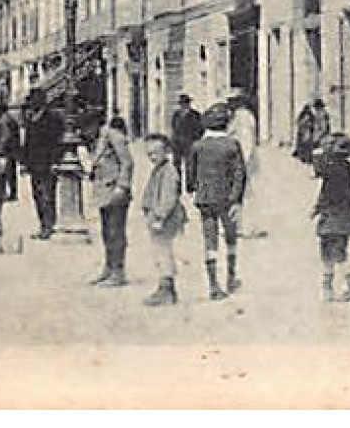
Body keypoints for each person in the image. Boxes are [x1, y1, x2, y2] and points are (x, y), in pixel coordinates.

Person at [188, 103, 246, 301]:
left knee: (209, 240)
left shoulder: (198, 146)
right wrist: (237, 198)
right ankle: (231, 277)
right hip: (227, 198)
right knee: (230, 237)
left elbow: (190, 173)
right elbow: (240, 173)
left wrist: (192, 188)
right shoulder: (232, 145)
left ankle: (213, 284)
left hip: (205, 198)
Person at [312, 132, 350, 302]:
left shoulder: (335, 168)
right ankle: (342, 286)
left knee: (331, 254)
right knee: (337, 253)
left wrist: (316, 154)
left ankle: (338, 287)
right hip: (340, 217)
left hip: (333, 217)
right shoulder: (344, 167)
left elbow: (320, 175)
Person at [140, 134, 188, 307]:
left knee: (163, 253)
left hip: (165, 219)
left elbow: (168, 197)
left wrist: (160, 216)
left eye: (155, 153)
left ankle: (167, 289)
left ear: (166, 151)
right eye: (149, 154)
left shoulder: (169, 171)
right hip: (157, 217)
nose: (152, 157)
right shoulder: (160, 169)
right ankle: (165, 287)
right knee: (159, 253)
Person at [87, 116, 134, 287]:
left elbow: (127, 163)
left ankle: (118, 272)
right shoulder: (100, 138)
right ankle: (108, 268)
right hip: (104, 191)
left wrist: (122, 186)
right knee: (106, 231)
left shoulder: (114, 136)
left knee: (116, 232)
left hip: (116, 190)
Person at [22, 90, 64, 240]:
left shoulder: (52, 118)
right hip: (34, 164)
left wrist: (55, 162)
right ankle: (43, 224)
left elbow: (58, 142)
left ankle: (48, 225)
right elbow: (27, 143)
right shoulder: (30, 119)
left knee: (47, 196)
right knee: (37, 196)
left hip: (47, 163)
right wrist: (24, 163)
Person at [227, 91, 264, 238]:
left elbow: (247, 142)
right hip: (242, 161)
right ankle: (240, 226)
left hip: (244, 162)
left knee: (244, 195)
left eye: (233, 101)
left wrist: (243, 163)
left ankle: (247, 227)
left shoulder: (243, 117)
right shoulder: (239, 116)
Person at [170, 94, 205, 170]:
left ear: (189, 103)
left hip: (190, 143)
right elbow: (173, 127)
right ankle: (178, 180)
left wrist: (195, 139)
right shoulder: (176, 115)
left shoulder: (195, 115)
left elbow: (200, 129)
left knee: (190, 165)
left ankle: (190, 181)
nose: (184, 105)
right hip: (178, 143)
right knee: (176, 164)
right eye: (182, 103)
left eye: (186, 103)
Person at [293, 98, 330, 168]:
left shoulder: (323, 116)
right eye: (317, 109)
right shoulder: (310, 117)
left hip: (318, 139)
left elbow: (324, 129)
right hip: (312, 140)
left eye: (320, 108)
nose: (319, 111)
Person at [0, 104, 22, 201]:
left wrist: (1, 148)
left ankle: (9, 193)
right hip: (13, 150)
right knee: (11, 172)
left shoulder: (4, 120)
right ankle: (13, 192)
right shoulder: (10, 119)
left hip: (7, 151)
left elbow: (6, 136)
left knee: (6, 172)